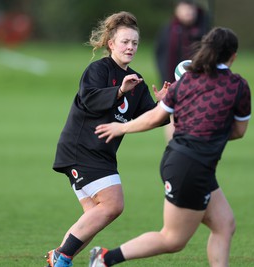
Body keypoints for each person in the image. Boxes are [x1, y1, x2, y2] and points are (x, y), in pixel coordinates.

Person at [90, 27, 251, 267]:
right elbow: (238, 132)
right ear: (233, 57)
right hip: (190, 166)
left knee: (224, 224)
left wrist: (121, 127)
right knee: (173, 239)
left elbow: (155, 116)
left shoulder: (185, 81)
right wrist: (210, 129)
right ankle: (104, 259)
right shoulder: (238, 85)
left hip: (185, 161)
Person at [45, 11, 169, 267]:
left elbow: (149, 118)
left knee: (92, 218)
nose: (130, 47)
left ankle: (58, 259)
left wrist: (164, 104)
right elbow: (90, 99)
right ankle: (63, 256)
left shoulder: (137, 81)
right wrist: (120, 90)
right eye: (125, 41)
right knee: (113, 205)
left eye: (135, 43)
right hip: (82, 149)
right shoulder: (98, 70)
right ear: (111, 43)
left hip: (101, 154)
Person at [155, 0, 210, 141]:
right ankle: (173, 147)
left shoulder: (205, 29)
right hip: (173, 83)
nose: (188, 12)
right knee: (173, 116)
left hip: (200, 83)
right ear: (177, 10)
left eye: (190, 9)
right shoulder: (169, 30)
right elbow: (160, 55)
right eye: (184, 8)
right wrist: (166, 80)